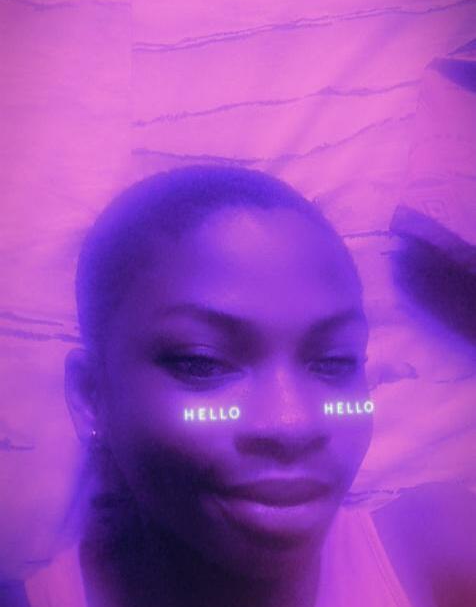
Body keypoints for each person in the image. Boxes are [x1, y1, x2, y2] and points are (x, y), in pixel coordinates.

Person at [24, 166, 476, 607]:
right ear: (91, 396)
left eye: (334, 362)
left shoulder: (440, 545)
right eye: (202, 363)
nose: (292, 424)